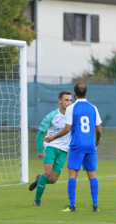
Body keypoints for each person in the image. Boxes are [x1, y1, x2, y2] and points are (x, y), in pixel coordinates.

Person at [45, 83, 102, 212]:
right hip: (90, 145)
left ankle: (72, 205)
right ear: (86, 94)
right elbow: (98, 129)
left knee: (72, 174)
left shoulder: (71, 108)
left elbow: (67, 129)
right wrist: (97, 140)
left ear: (74, 94)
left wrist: (53, 137)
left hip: (77, 144)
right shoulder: (93, 108)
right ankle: (95, 205)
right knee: (92, 174)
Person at [29, 91, 72, 207]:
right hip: (50, 147)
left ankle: (39, 180)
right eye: (66, 100)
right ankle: (37, 200)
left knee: (53, 180)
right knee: (47, 172)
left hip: (64, 150)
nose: (69, 103)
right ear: (60, 101)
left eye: (70, 100)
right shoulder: (51, 116)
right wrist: (39, 150)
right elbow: (40, 133)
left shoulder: (73, 116)